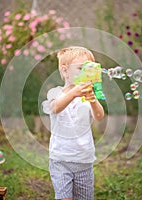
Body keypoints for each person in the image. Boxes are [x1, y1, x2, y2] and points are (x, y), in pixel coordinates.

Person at [42, 46, 104, 200]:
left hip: (84, 159)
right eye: (81, 68)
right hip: (60, 159)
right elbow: (55, 107)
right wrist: (74, 93)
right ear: (65, 71)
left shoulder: (88, 96)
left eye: (90, 69)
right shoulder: (55, 93)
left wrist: (93, 100)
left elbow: (99, 116)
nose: (87, 73)